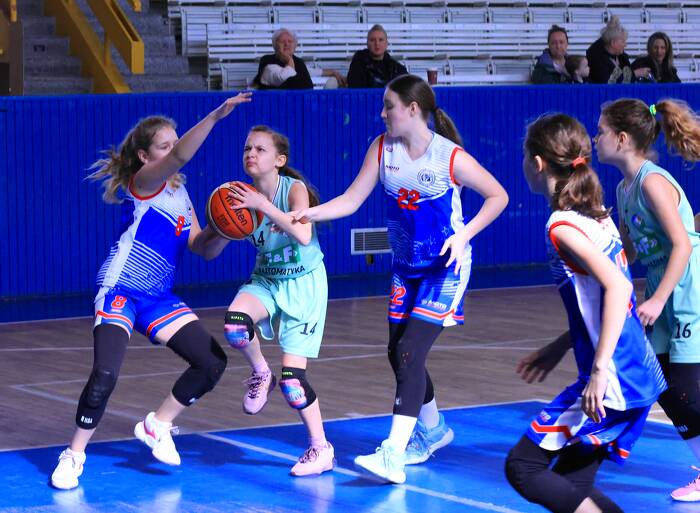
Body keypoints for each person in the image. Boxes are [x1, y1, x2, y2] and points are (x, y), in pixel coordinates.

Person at [291, 74, 509, 484]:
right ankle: (434, 428)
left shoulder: (450, 157)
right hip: (405, 268)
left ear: (412, 109)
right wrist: (308, 214)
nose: (382, 113)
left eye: (388, 106)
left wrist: (464, 235)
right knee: (397, 352)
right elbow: (352, 199)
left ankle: (393, 452)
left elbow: (498, 195)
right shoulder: (382, 148)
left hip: (445, 268)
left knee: (409, 350)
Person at [49, 93, 253, 490]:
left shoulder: (181, 196)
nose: (174, 149)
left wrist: (229, 228)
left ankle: (158, 424)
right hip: (122, 289)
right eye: (165, 145)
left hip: (157, 297)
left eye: (175, 141)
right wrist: (215, 117)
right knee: (105, 374)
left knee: (211, 362)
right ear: (145, 156)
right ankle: (73, 455)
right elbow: (179, 157)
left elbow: (202, 248)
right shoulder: (143, 183)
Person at [506, 113, 666, 513]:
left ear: (537, 163)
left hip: (614, 378)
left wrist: (597, 372)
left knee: (523, 467)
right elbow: (600, 301)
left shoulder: (562, 226)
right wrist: (561, 345)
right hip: (636, 370)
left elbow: (620, 288)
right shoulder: (596, 215)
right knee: (572, 483)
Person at [194, 125, 333, 476]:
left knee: (293, 384)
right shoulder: (238, 197)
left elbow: (303, 234)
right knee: (235, 326)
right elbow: (207, 253)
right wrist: (220, 226)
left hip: (304, 285)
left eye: (260, 149)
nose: (251, 154)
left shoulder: (293, 189)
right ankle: (260, 371)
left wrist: (264, 206)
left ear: (279, 160)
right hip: (267, 280)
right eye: (247, 149)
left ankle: (320, 448)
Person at [596, 98, 700, 502]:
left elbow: (682, 245)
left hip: (686, 287)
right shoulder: (623, 189)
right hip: (663, 287)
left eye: (601, 131)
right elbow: (631, 251)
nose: (596, 138)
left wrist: (656, 300)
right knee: (664, 385)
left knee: (685, 385)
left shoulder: (652, 182)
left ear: (622, 139)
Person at [252, 28, 346, 90]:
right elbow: (282, 76)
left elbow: (310, 72)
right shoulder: (267, 61)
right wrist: (289, 60)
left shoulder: (298, 62)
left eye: (290, 41)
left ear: (295, 45)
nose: (287, 44)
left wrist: (333, 72)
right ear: (274, 45)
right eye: (282, 41)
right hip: (275, 107)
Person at [586, 16, 649, 84]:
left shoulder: (622, 57)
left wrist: (611, 27)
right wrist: (635, 74)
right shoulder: (597, 60)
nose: (625, 45)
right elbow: (609, 82)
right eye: (623, 41)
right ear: (613, 43)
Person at [347, 24, 408, 89]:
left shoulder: (395, 67)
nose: (377, 43)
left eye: (381, 40)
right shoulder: (358, 62)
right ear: (367, 44)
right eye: (372, 40)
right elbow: (355, 87)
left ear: (386, 44)